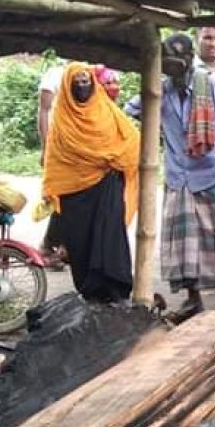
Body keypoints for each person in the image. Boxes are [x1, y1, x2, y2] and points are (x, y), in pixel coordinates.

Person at [125, 33, 215, 311]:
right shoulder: (158, 90)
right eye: (169, 61)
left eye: (179, 59)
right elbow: (130, 110)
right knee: (182, 245)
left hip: (209, 173)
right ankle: (193, 298)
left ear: (190, 59)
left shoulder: (209, 86)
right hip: (178, 176)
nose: (174, 65)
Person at [43, 62, 141, 302]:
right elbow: (56, 161)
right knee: (81, 244)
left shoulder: (107, 110)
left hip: (107, 187)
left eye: (86, 81)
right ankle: (90, 295)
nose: (82, 86)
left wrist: (113, 159)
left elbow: (132, 140)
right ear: (67, 87)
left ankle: (116, 292)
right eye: (77, 82)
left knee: (111, 239)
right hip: (75, 195)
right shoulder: (61, 120)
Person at [37, 61, 67, 269]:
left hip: (81, 150)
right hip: (59, 147)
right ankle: (48, 246)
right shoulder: (55, 74)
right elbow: (44, 110)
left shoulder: (91, 71)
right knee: (61, 199)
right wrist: (46, 147)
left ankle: (65, 248)